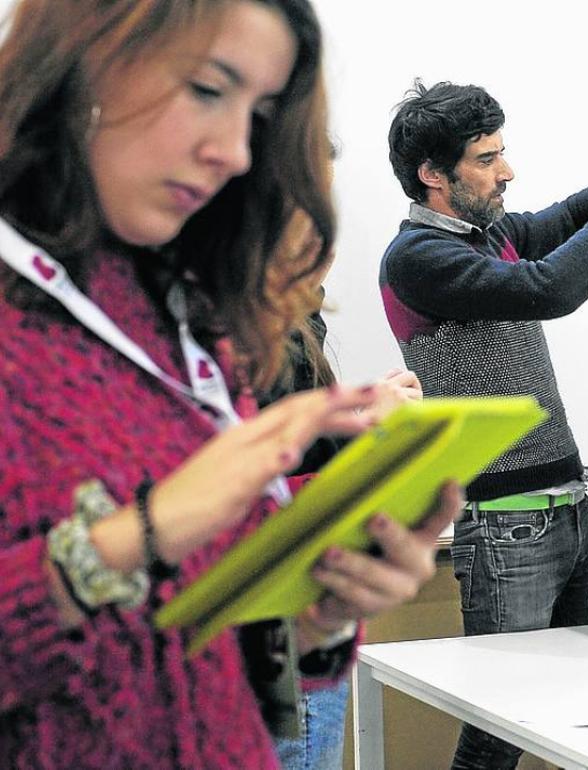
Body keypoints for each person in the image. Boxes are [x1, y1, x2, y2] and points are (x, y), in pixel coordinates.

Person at [0, 1, 459, 767]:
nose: (238, 153)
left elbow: (183, 647)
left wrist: (317, 619)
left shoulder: (179, 322)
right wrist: (131, 538)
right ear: (85, 56)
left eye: (261, 114)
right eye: (210, 90)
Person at [380, 79, 588, 768]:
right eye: (486, 159)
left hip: (566, 513)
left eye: (503, 152)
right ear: (433, 175)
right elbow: (549, 287)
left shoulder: (489, 234)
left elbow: (559, 221)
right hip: (505, 529)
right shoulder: (416, 261)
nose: (507, 171)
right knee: (497, 730)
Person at [259, 210, 424, 770]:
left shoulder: (291, 323)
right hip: (284, 625)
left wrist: (355, 412)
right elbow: (261, 493)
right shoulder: (259, 335)